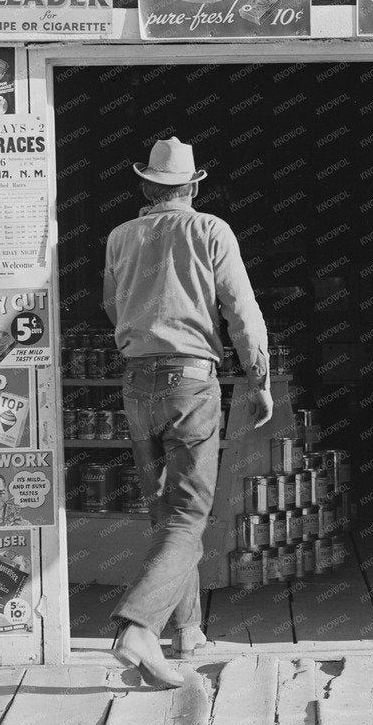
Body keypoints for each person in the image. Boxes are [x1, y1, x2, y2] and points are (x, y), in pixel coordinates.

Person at [103, 137, 272, 688]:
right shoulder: (210, 230)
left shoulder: (119, 237)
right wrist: (259, 378)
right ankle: (138, 627)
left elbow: (112, 305)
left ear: (147, 186)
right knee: (188, 514)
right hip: (190, 383)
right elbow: (240, 308)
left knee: (167, 512)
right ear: (193, 187)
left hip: (136, 383)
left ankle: (188, 631)